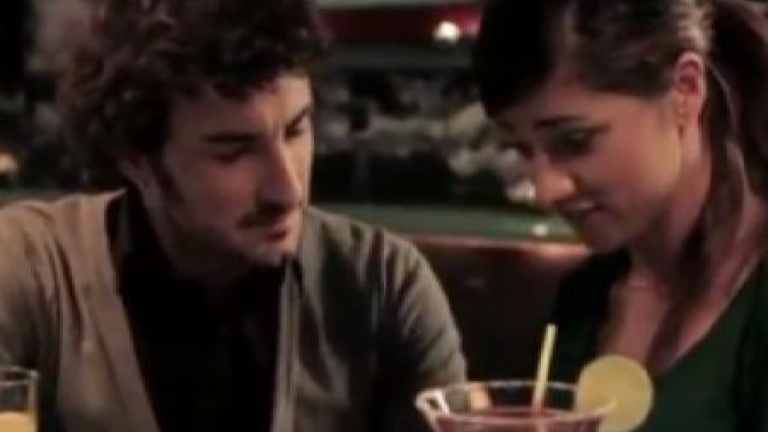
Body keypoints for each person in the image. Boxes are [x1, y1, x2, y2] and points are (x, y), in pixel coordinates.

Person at [0, 0, 466, 431]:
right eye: (234, 152)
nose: (287, 191)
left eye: (296, 130)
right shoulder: (32, 272)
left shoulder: (383, 285)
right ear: (137, 161)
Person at [473, 0, 768, 430]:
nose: (545, 190)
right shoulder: (585, 298)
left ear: (685, 90)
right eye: (521, 149)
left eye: (575, 141)